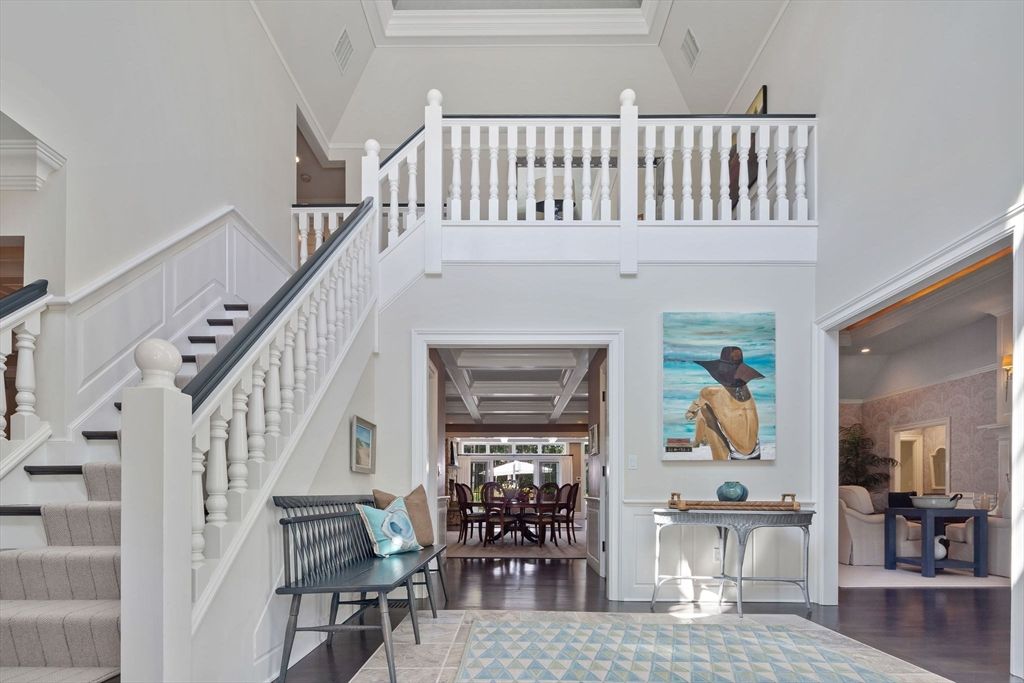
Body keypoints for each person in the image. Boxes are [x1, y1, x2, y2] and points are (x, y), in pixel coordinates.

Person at [685, 346, 764, 461]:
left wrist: (692, 411)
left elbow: (689, 416)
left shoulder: (710, 393)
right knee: (706, 409)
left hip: (737, 454)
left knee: (703, 411)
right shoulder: (746, 391)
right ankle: (699, 441)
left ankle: (697, 443)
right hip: (756, 451)